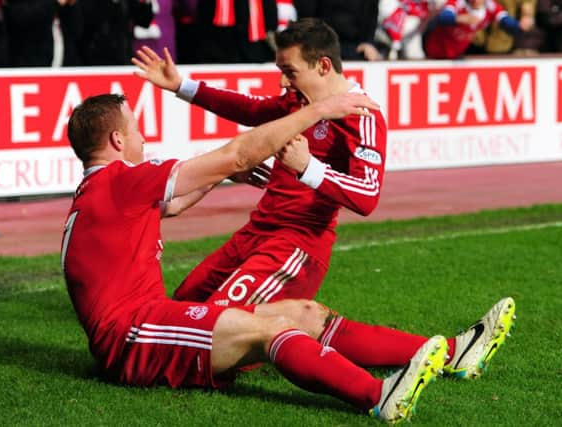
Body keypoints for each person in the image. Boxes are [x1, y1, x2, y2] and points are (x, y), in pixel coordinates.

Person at [62, 92, 516, 423]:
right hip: (133, 337)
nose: (144, 137)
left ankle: (456, 354)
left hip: (142, 324)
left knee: (304, 312)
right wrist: (318, 110)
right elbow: (237, 151)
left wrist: (232, 173)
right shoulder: (121, 181)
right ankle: (379, 396)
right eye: (137, 128)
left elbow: (174, 204)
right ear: (118, 139)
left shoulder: (103, 190)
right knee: (269, 329)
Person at [134, 18, 386, 309]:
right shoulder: (299, 102)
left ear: (324, 66)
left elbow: (367, 196)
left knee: (216, 324)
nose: (282, 83)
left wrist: (307, 167)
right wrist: (181, 86)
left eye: (290, 72)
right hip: (255, 233)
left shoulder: (362, 115)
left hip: (298, 244)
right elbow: (249, 108)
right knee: (180, 306)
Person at [423, 0, 533, 59]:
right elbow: (442, 18)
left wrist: (520, 26)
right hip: (433, 53)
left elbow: (506, 21)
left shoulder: (490, 6)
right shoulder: (458, 3)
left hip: (456, 56)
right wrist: (459, 19)